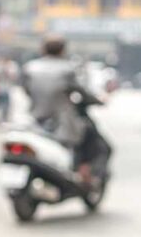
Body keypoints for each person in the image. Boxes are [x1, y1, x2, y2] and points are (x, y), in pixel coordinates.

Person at [23, 35, 111, 183]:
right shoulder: (67, 69)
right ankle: (86, 174)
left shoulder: (30, 68)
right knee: (96, 141)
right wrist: (99, 100)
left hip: (35, 118)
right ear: (63, 50)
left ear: (43, 49)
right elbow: (82, 92)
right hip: (61, 122)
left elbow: (27, 90)